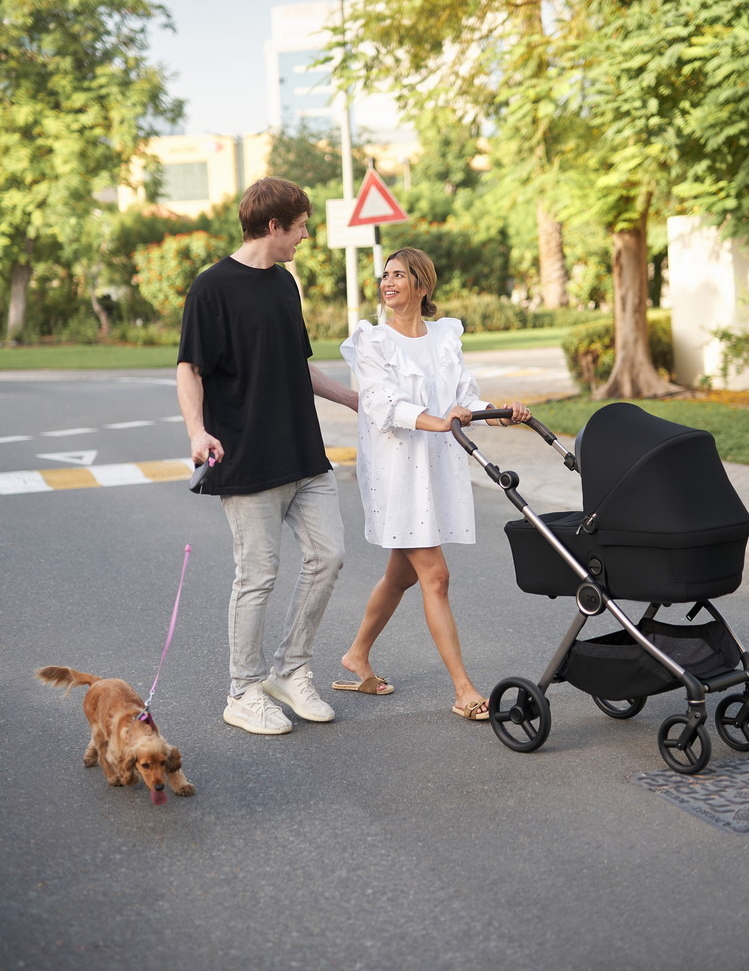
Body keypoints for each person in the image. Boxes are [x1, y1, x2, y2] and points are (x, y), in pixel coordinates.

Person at [176, 176, 358, 737]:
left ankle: (290, 671)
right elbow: (190, 369)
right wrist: (196, 431)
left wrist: (354, 399)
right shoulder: (212, 288)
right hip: (247, 458)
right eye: (300, 226)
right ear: (274, 225)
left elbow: (298, 364)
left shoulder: (284, 283)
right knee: (257, 576)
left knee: (328, 556)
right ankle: (243, 691)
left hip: (304, 453)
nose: (305, 235)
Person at [335, 247, 530, 720]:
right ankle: (464, 690)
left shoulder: (444, 337)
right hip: (398, 472)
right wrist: (439, 422)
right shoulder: (373, 341)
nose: (387, 282)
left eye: (398, 275)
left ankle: (357, 655)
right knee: (435, 577)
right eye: (385, 275)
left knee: (402, 575)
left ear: (422, 285)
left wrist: (497, 414)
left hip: (437, 468)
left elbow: (464, 399)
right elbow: (381, 405)